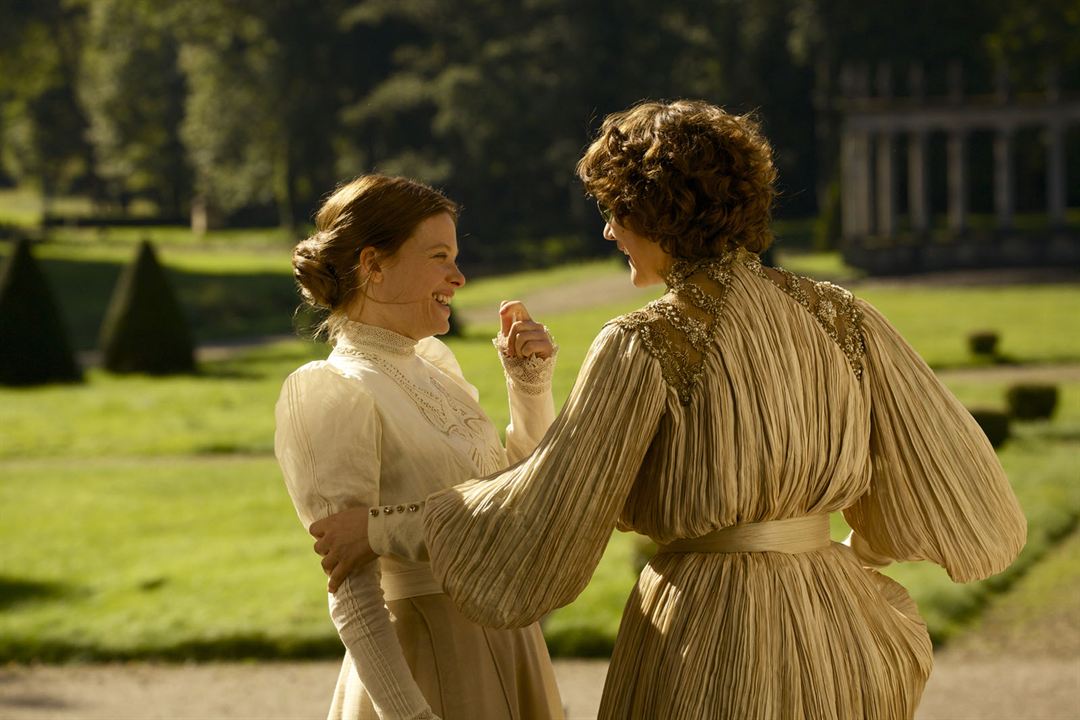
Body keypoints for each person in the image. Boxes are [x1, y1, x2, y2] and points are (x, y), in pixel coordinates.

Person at [315, 101, 1027, 719]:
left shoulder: (646, 341)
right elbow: (965, 490)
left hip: (707, 634)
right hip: (843, 625)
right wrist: (840, 557)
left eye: (613, 213)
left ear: (653, 213)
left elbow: (549, 508)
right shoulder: (845, 316)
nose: (607, 232)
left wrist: (382, 530)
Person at [274, 174, 564, 720]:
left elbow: (521, 499)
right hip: (426, 664)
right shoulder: (331, 389)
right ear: (373, 265)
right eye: (439, 256)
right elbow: (353, 595)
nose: (458, 276)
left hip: (512, 641)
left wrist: (530, 387)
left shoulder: (435, 365)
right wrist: (412, 716)